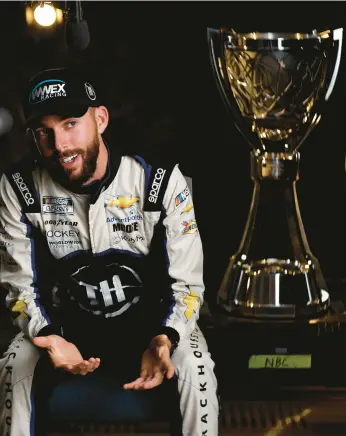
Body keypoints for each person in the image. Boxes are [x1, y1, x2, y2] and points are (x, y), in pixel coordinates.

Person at [0, 68, 219, 436]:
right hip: (66, 335)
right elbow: (20, 287)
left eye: (71, 123)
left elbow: (188, 286)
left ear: (100, 119)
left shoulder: (158, 182)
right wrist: (50, 335)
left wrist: (166, 337)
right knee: (14, 361)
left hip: (152, 333)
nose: (60, 144)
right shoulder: (19, 189)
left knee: (196, 364)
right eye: (44, 132)